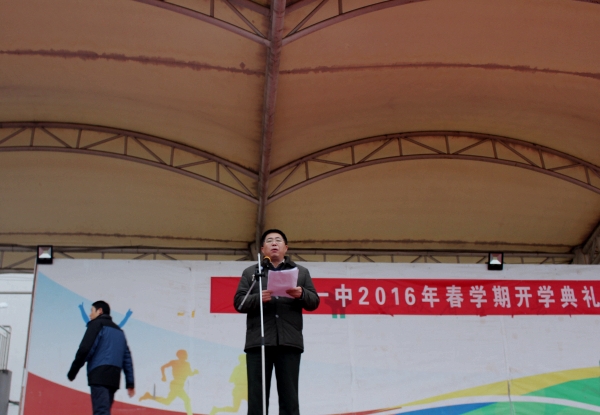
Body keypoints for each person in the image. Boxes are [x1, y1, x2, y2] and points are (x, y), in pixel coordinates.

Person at [234, 229, 320, 415]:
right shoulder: (251, 273)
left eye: (278, 240)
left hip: (289, 342)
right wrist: (258, 298)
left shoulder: (301, 272)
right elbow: (239, 303)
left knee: (289, 398)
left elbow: (314, 301)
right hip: (259, 342)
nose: (274, 243)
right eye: (270, 240)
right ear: (262, 248)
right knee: (257, 398)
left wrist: (302, 294)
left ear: (285, 247)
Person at [67, 300, 135, 415]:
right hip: (114, 378)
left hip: (99, 374)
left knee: (101, 412)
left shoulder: (96, 325)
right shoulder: (120, 332)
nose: (90, 314)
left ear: (100, 311)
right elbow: (127, 359)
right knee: (104, 410)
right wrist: (130, 383)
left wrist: (73, 371)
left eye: (92, 311)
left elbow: (85, 349)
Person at [139, 349, 199, 415]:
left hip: (180, 385)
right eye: (184, 354)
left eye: (185, 354)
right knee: (187, 400)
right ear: (179, 355)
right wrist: (164, 376)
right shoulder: (174, 362)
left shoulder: (187, 364)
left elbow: (189, 373)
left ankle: (149, 396)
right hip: (175, 385)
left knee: (167, 402)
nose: (185, 355)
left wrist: (194, 372)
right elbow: (163, 367)